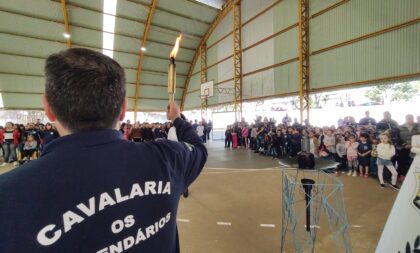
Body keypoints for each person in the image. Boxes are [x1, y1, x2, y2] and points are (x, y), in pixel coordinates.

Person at [0, 48, 207, 253]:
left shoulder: (9, 197)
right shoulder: (167, 157)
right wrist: (178, 118)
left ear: (48, 109)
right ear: (123, 108)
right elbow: (198, 147)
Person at [397, 114, 420, 180]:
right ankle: (402, 175)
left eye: (412, 118)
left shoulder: (417, 126)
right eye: (409, 118)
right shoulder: (400, 127)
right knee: (402, 162)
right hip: (404, 147)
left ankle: (410, 176)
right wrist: (405, 145)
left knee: (412, 162)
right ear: (406, 119)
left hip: (415, 147)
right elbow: (398, 138)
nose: (410, 119)